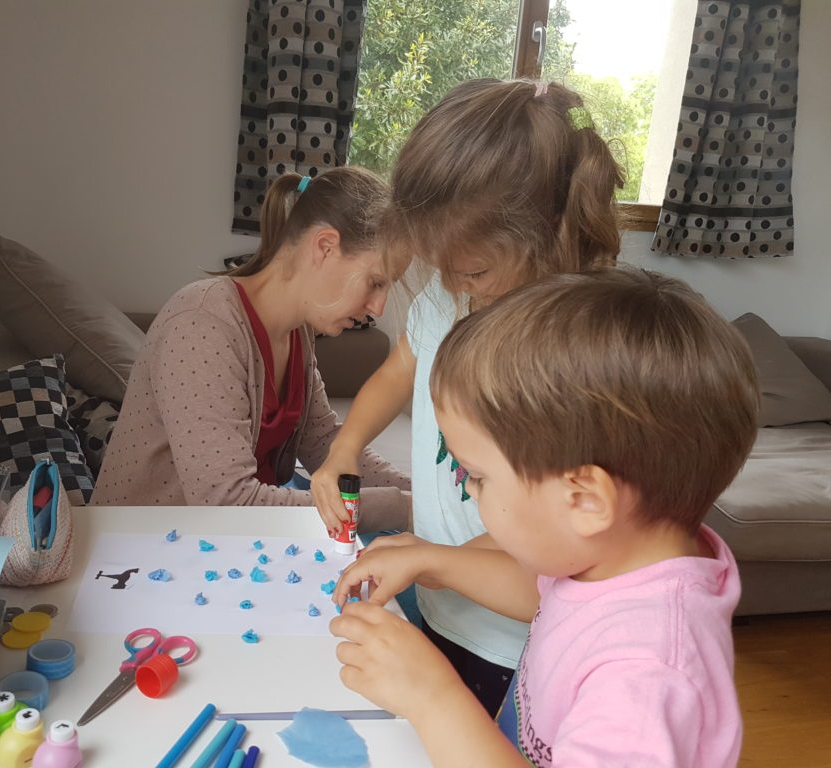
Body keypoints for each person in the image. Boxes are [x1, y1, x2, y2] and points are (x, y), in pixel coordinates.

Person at [330, 267, 758, 767]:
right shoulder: (615, 556)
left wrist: (433, 698)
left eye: (477, 476)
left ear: (585, 500)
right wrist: (435, 561)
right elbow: (548, 595)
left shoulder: (646, 675)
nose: (469, 489)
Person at [311, 78, 625, 712]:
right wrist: (344, 447)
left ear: (547, 233)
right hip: (442, 601)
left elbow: (554, 563)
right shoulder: (445, 296)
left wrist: (434, 560)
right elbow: (398, 371)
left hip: (514, 643)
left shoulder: (573, 358)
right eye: (440, 265)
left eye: (474, 270)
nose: (454, 284)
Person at [92, 167, 411, 531]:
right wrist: (399, 509)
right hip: (144, 545)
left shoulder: (298, 333)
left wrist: (425, 499)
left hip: (227, 542)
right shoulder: (201, 322)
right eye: (375, 282)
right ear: (325, 247)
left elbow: (324, 441)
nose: (378, 308)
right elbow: (227, 502)